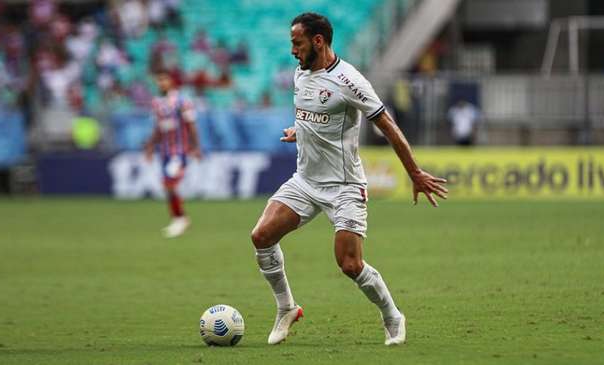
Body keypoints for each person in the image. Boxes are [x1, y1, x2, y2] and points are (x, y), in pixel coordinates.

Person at [250, 13, 448, 346]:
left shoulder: (349, 80)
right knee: (261, 236)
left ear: (318, 41)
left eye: (297, 43)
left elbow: (388, 125)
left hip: (344, 186)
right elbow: (316, 117)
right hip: (305, 181)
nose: (292, 51)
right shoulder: (301, 74)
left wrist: (414, 172)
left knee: (350, 264)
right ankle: (286, 308)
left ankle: (392, 316)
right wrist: (299, 131)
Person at [144, 69, 202, 238]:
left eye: (164, 80)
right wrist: (150, 146)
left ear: (172, 82)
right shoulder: (156, 103)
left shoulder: (182, 102)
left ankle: (180, 219)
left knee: (169, 183)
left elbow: (191, 125)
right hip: (165, 152)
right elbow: (158, 129)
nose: (161, 83)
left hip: (180, 151)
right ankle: (179, 218)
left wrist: (196, 147)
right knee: (168, 185)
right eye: (159, 80)